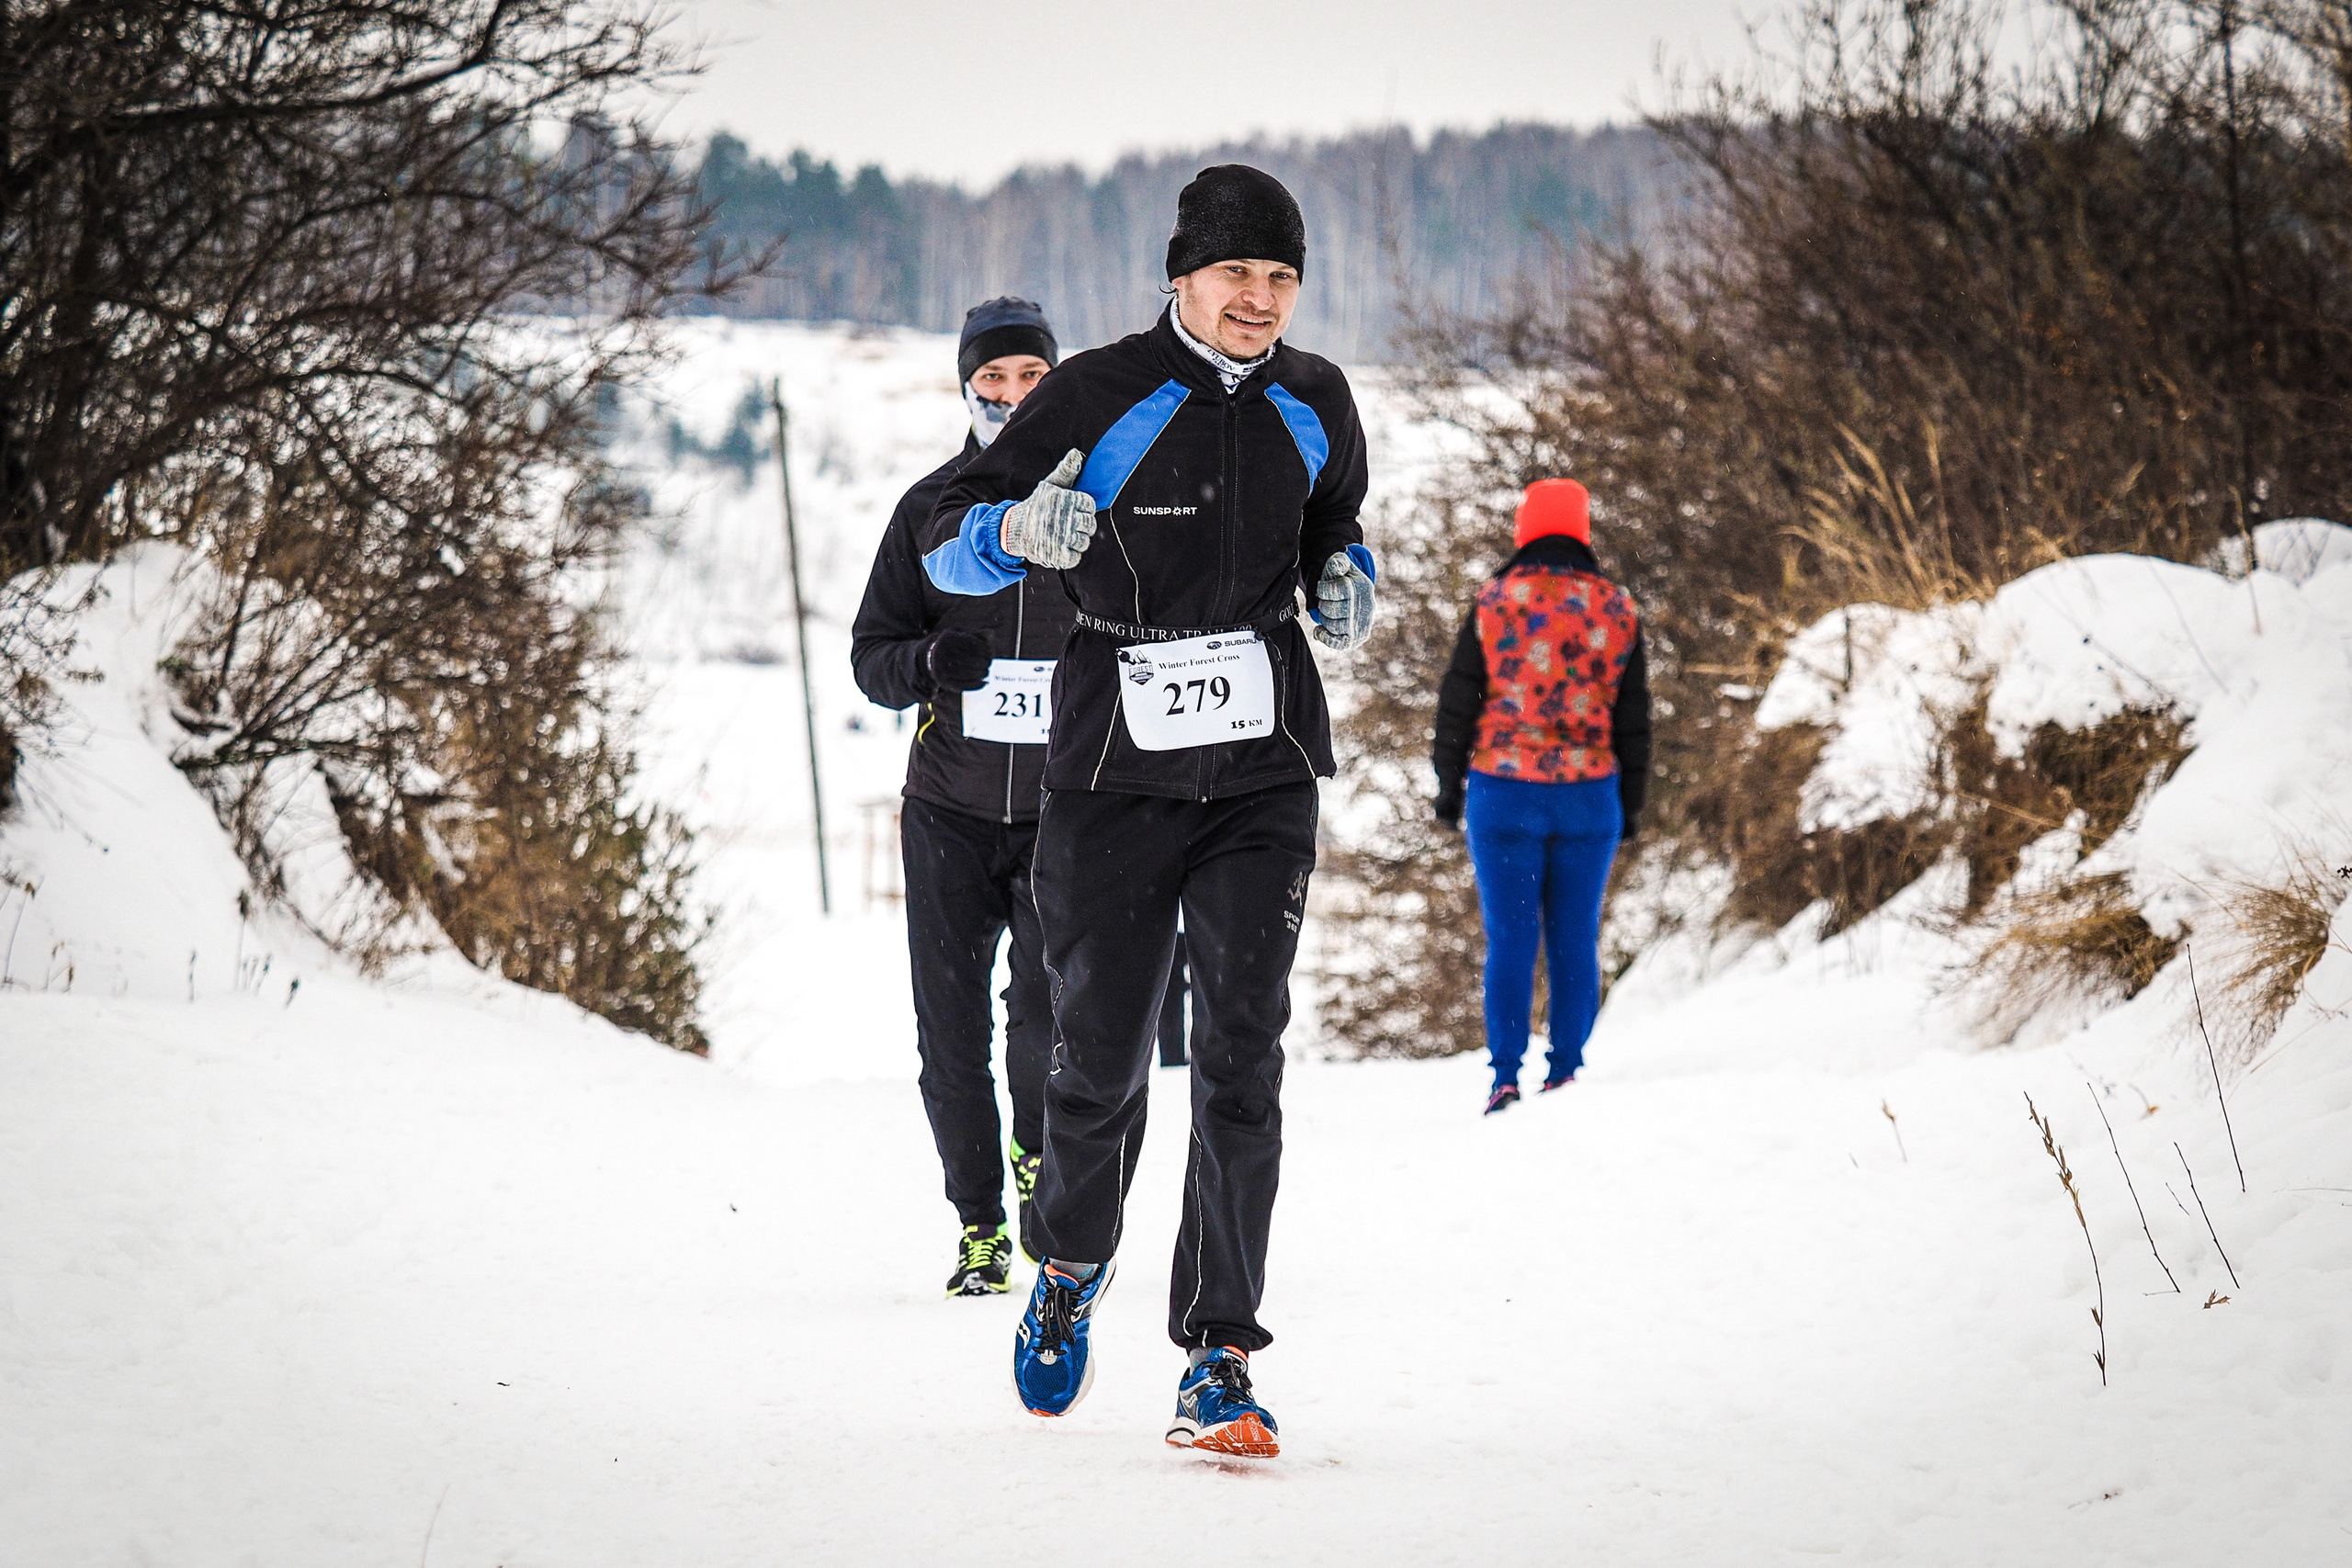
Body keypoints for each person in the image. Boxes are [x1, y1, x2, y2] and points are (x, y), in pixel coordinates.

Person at [921, 164, 1375, 1457]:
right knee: (1100, 1057)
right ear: (1182, 276)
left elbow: (1339, 527)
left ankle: (1218, 1354)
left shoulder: (1317, 398)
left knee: (1241, 1053)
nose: (1261, 300)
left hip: (1263, 759)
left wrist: (1349, 579)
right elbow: (947, 539)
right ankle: (1068, 1265)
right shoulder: (1093, 392)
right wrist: (1016, 527)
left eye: (1282, 278)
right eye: (1239, 274)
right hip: (1114, 761)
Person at [850, 297, 1071, 1297]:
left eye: (1032, 378)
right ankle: (979, 1226)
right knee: (948, 1032)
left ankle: (1035, 1160)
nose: (1013, 395)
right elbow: (872, 658)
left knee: (1046, 1023)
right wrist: (934, 660)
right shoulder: (930, 508)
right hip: (948, 808)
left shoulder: (1096, 511)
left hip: (1069, 808)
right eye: (995, 378)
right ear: (966, 386)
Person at [1431, 478, 1652, 1115]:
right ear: (1582, 530)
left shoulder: (1495, 601)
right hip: (1589, 795)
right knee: (1575, 937)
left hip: (1504, 793)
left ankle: (1504, 1074)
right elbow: (1633, 719)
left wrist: (1449, 788)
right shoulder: (1616, 608)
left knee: (1510, 939)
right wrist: (1629, 804)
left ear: (1524, 529)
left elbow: (1457, 702)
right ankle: (1566, 1070)